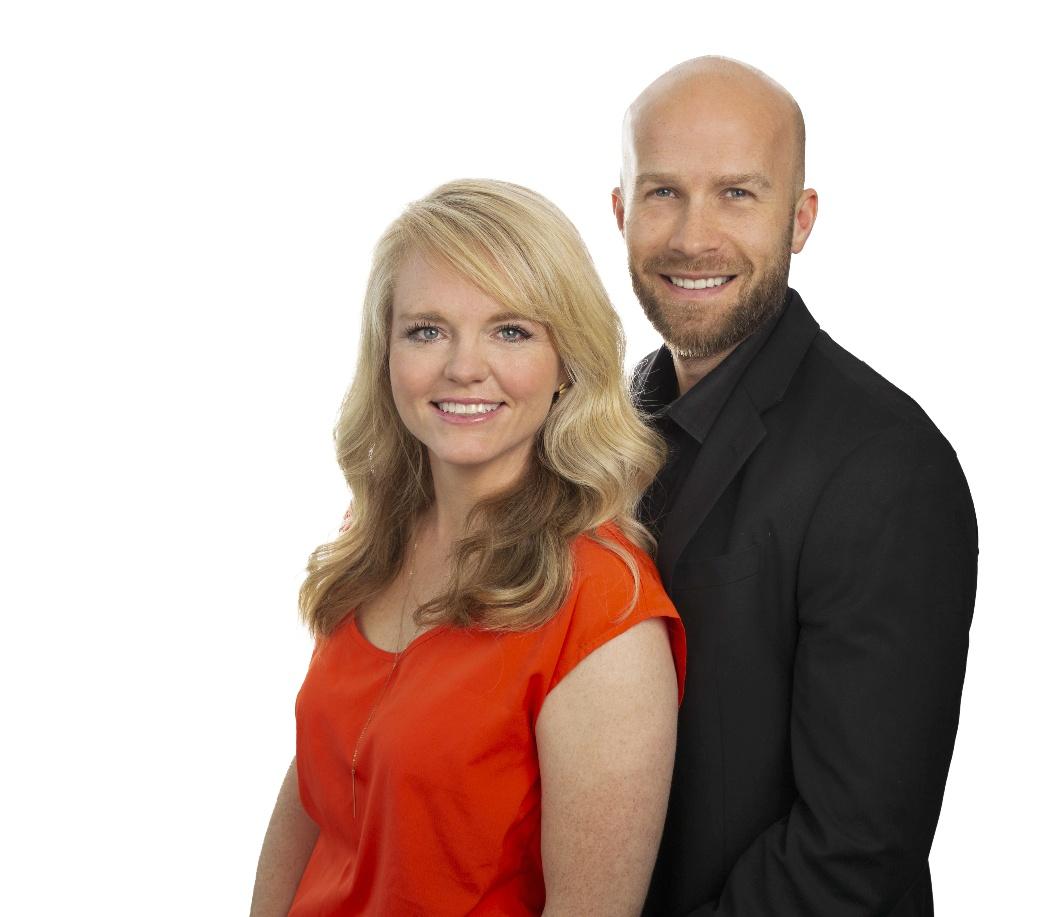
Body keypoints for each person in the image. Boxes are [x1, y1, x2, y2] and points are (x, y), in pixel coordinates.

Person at [250, 179, 686, 916]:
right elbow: (315, 797)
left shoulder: (605, 608)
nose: (463, 367)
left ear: (567, 361)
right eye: (427, 330)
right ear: (386, 352)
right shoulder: (373, 535)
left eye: (510, 331)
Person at [611, 57, 978, 915]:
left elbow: (852, 854)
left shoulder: (889, 467)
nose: (693, 237)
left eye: (737, 193)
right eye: (663, 193)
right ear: (621, 211)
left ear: (801, 218)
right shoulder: (604, 428)